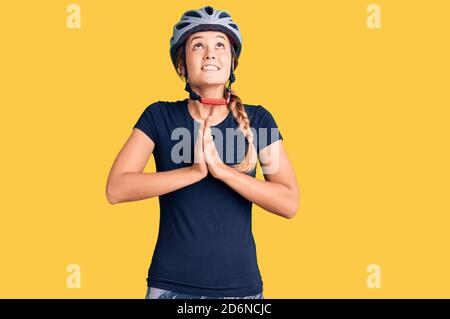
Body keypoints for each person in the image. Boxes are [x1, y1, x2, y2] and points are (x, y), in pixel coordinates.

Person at [106, 5, 300, 299]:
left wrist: (222, 172)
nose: (210, 53)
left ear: (232, 61)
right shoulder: (158, 116)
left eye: (219, 45)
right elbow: (116, 189)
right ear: (183, 64)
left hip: (241, 289)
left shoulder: (260, 120)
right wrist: (194, 172)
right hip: (170, 287)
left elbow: (289, 203)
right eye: (198, 46)